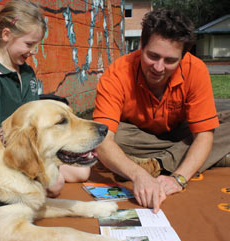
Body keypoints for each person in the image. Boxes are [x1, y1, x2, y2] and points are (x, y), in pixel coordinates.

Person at [92, 8, 230, 213]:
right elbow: (103, 140)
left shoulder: (196, 69)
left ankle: (157, 163)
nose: (158, 67)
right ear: (141, 45)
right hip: (139, 137)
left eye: (170, 60)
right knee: (110, 134)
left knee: (212, 130)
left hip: (181, 133)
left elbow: (202, 135)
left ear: (184, 57)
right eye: (152, 56)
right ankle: (213, 156)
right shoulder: (116, 74)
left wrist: (179, 178)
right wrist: (139, 175)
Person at [0, 0, 90, 197]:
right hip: (9, 156)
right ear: (6, 35)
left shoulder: (27, 72)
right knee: (56, 185)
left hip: (35, 151)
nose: (34, 51)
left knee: (83, 170)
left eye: (36, 45)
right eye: (29, 44)